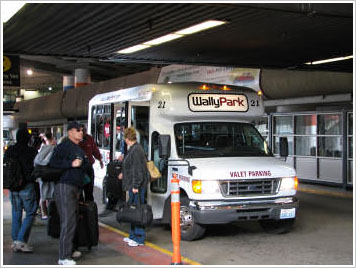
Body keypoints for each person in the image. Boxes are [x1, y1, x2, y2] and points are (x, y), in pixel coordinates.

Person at [49, 122, 86, 265]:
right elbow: (53, 163)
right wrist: (71, 164)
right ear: (70, 132)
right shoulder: (63, 147)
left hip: (74, 188)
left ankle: (69, 250)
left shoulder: (77, 148)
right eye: (78, 130)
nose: (81, 132)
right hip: (65, 186)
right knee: (68, 221)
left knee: (73, 219)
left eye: (82, 130)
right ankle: (63, 257)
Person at [4, 128, 38, 253]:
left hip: (13, 186)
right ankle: (21, 241)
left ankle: (15, 241)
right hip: (27, 185)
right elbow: (36, 166)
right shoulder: (31, 151)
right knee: (30, 212)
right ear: (28, 139)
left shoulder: (10, 150)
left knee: (16, 212)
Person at [118, 127, 149, 247]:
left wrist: (136, 186)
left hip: (137, 186)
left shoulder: (136, 150)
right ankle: (132, 235)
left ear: (126, 139)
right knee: (133, 210)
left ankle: (139, 238)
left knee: (137, 212)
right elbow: (132, 167)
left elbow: (138, 171)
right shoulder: (134, 149)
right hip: (133, 184)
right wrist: (124, 173)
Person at [34, 131, 56, 220]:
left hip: (44, 174)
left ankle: (45, 212)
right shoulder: (49, 148)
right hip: (47, 173)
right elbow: (46, 161)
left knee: (45, 193)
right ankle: (45, 212)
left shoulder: (43, 148)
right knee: (46, 193)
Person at [79, 125, 104, 203]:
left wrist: (100, 160)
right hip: (78, 168)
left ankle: (89, 206)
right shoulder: (75, 140)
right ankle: (80, 205)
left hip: (88, 167)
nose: (83, 132)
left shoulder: (89, 139)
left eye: (84, 130)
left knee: (89, 189)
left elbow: (95, 150)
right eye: (82, 130)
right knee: (79, 190)